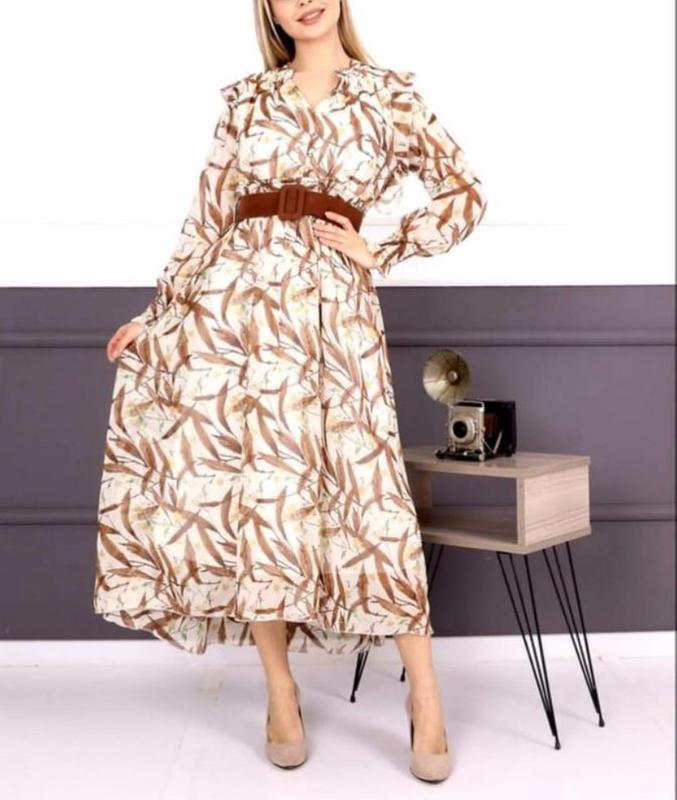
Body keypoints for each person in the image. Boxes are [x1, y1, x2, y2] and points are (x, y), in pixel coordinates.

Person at [93, 0, 487, 782]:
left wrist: (382, 248)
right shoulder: (248, 99)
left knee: (369, 496)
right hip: (236, 311)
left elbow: (463, 191)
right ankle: (280, 692)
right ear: (266, 8)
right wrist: (157, 315)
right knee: (259, 497)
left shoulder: (387, 94)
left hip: (333, 308)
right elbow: (207, 220)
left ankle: (425, 696)